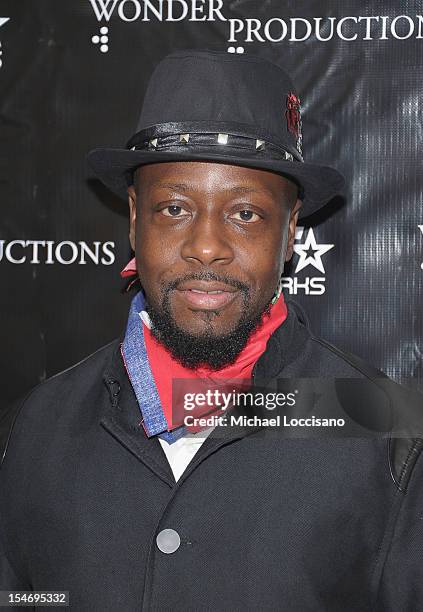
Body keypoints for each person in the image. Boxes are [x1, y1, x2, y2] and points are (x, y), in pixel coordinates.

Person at [1, 49, 422, 611]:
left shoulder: (391, 438)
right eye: (174, 209)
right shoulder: (31, 431)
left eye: (245, 214)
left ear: (291, 229)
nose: (206, 246)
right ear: (133, 218)